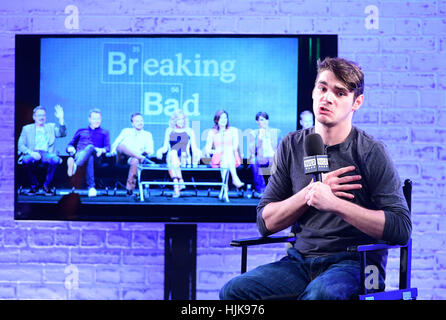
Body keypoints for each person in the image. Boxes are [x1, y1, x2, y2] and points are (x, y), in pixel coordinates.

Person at [220, 57, 412, 300]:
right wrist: (309, 194)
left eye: (340, 93)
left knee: (319, 295)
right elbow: (265, 223)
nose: (327, 97)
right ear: (313, 92)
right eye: (322, 88)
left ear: (357, 102)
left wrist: (335, 204)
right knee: (234, 291)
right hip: (299, 263)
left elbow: (401, 229)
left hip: (356, 265)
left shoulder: (370, 151)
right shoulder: (292, 145)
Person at [18, 105, 66, 195]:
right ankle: (34, 186)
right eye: (39, 115)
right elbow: (20, 145)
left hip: (46, 153)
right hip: (33, 152)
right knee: (25, 160)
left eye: (43, 115)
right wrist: (31, 153)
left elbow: (62, 133)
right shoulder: (27, 129)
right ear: (34, 117)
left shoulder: (50, 127)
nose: (41, 117)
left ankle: (46, 186)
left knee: (55, 159)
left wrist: (61, 120)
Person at [156, 109, 201, 198]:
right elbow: (165, 148)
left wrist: (198, 154)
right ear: (174, 121)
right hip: (171, 158)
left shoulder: (189, 131)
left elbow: (194, 148)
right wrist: (159, 151)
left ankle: (177, 186)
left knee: (172, 155)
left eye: (182, 119)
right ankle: (179, 182)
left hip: (184, 158)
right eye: (178, 119)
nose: (181, 122)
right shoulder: (169, 130)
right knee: (172, 153)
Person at [66, 108, 110, 197]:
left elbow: (108, 148)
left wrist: (101, 150)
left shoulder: (104, 132)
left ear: (101, 119)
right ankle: (91, 188)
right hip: (80, 154)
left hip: (97, 157)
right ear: (89, 119)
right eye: (94, 118)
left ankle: (75, 165)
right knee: (89, 157)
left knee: (90, 147)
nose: (96, 121)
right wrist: (70, 149)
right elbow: (69, 145)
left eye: (98, 119)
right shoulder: (81, 131)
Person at [111, 112, 154, 196]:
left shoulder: (147, 134)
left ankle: (129, 189)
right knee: (121, 146)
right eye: (137, 121)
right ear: (132, 123)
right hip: (122, 158)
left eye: (141, 120)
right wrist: (113, 151)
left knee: (135, 160)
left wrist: (142, 152)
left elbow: (151, 150)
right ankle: (140, 157)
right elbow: (115, 144)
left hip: (135, 159)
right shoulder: (126, 131)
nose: (140, 123)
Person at [205, 110, 244, 190]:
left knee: (227, 152)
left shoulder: (233, 130)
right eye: (221, 118)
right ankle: (234, 178)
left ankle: (225, 185)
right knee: (225, 155)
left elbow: (235, 147)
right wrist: (217, 151)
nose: (223, 120)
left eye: (225, 118)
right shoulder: (212, 132)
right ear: (217, 119)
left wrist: (225, 149)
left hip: (233, 158)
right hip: (218, 158)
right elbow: (207, 150)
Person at [248, 111, 281, 195]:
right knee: (254, 161)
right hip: (261, 157)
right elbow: (252, 151)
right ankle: (261, 189)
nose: (265, 122)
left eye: (266, 119)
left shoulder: (276, 132)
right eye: (262, 120)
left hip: (273, 156)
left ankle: (276, 189)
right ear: (257, 122)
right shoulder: (254, 133)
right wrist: (259, 138)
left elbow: (280, 148)